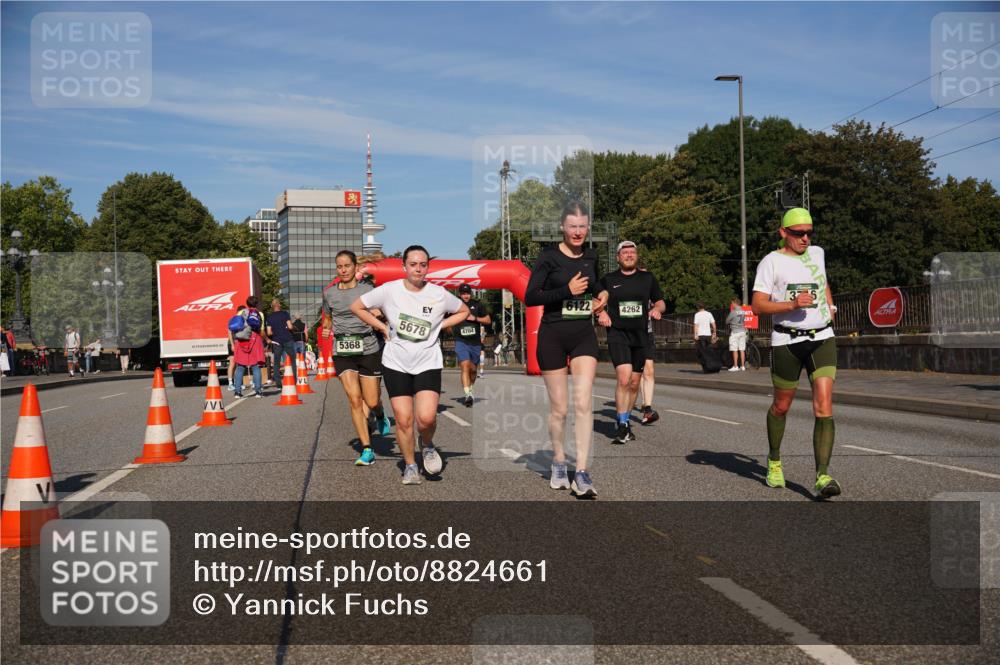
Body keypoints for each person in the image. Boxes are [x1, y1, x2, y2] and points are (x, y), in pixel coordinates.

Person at [350, 245, 469, 484]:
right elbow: (356, 307)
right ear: (404, 266)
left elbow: (463, 311)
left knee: (426, 419)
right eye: (413, 264)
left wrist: (438, 327)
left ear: (427, 267)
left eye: (423, 264)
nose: (418, 268)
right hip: (396, 362)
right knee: (403, 419)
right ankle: (411, 465)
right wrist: (382, 327)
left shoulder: (438, 293)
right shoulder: (389, 290)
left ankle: (426, 444)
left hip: (427, 360)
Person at [751, 207, 840, 498]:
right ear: (783, 233)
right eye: (799, 233)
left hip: (822, 337)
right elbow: (758, 305)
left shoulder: (817, 254)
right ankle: (774, 460)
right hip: (786, 341)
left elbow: (823, 282)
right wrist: (790, 305)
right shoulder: (771, 262)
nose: (805, 239)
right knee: (782, 406)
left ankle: (823, 476)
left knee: (823, 406)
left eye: (809, 233)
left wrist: (830, 305)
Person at [525, 201, 607, 498]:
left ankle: (582, 472)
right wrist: (565, 291)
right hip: (553, 335)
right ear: (562, 227)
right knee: (560, 408)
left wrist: (602, 292)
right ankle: (559, 461)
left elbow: (595, 283)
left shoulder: (591, 256)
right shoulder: (548, 258)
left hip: (583, 333)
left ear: (588, 228)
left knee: (584, 403)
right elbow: (531, 296)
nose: (577, 232)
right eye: (572, 226)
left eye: (582, 226)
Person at [325, 250, 391, 466]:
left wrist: (378, 314)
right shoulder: (329, 293)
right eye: (339, 266)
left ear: (355, 267)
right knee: (354, 399)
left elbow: (380, 310)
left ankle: (380, 414)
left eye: (346, 266)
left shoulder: (367, 290)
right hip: (343, 349)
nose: (343, 270)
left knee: (371, 400)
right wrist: (327, 329)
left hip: (368, 346)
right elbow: (328, 318)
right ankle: (366, 449)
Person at [597, 240, 666, 444]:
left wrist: (656, 309)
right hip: (618, 334)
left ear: (636, 256)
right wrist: (600, 313)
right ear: (618, 257)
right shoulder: (608, 280)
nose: (628, 255)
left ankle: (625, 420)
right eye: (624, 252)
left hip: (640, 335)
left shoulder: (647, 278)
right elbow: (595, 301)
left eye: (632, 252)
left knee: (635, 383)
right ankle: (622, 424)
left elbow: (660, 301)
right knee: (624, 379)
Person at [451, 284, 491, 407]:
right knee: (465, 366)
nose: (465, 296)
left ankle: (471, 388)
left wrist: (475, 319)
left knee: (473, 370)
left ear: (470, 293)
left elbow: (488, 320)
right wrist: (450, 330)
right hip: (460, 341)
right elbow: (445, 319)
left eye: (467, 293)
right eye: (463, 293)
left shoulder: (477, 304)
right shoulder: (454, 305)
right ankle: (468, 394)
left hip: (475, 343)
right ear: (459, 294)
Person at [232, 296, 269, 399]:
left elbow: (234, 326)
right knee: (255, 366)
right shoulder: (260, 314)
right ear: (257, 304)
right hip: (255, 339)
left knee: (240, 366)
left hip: (242, 339)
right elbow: (261, 330)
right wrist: (267, 340)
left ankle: (237, 392)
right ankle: (258, 391)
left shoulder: (240, 312)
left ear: (247, 303)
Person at [267, 298, 296, 385]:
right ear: (279, 305)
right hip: (287, 338)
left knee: (276, 362)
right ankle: (294, 380)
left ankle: (279, 383)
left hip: (276, 341)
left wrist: (275, 332)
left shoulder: (270, 317)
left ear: (272, 307)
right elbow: (290, 326)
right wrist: (292, 328)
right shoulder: (285, 314)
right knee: (292, 360)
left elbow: (268, 332)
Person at [726, 297, 748, 371]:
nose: (732, 304)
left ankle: (735, 366)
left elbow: (727, 321)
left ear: (735, 303)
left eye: (732, 303)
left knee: (734, 349)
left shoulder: (733, 312)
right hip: (742, 331)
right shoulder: (743, 311)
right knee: (742, 349)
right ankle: (742, 366)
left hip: (735, 332)